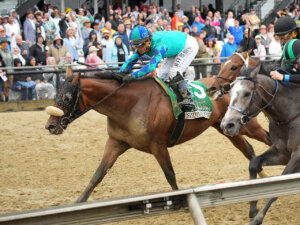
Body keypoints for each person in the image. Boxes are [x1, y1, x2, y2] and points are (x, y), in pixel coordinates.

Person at [120, 26, 199, 109]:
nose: (137, 49)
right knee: (160, 76)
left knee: (174, 72)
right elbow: (132, 60)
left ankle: (188, 98)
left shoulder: (159, 45)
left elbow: (151, 67)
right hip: (175, 47)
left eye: (138, 46)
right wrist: (121, 72)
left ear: (148, 42)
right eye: (134, 46)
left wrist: (132, 75)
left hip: (188, 45)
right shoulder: (146, 44)